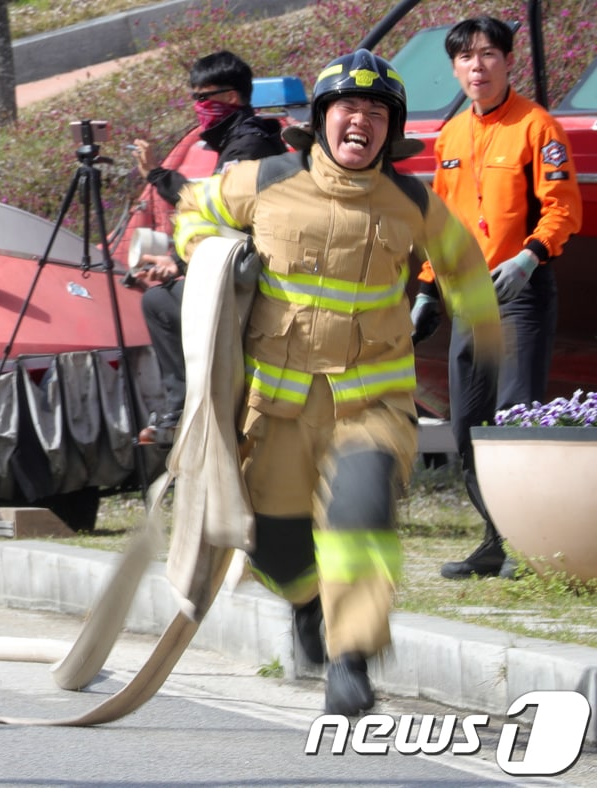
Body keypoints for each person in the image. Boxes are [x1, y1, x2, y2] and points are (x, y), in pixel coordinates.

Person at [174, 50, 500, 714]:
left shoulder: (412, 202)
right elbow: (192, 211)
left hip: (371, 408)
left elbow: (467, 271)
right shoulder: (262, 179)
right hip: (277, 410)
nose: (362, 121)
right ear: (321, 120)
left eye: (377, 112)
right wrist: (206, 258)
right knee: (275, 545)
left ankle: (351, 659)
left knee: (360, 517)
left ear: (392, 128)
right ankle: (306, 601)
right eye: (347, 108)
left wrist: (485, 345)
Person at [410, 16, 583, 580]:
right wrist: (428, 287)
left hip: (519, 295)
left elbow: (563, 207)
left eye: (487, 55)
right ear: (454, 68)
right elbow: (443, 222)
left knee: (513, 421)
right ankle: (494, 541)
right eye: (465, 58)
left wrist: (531, 255)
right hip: (467, 301)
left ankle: (530, 549)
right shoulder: (453, 135)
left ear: (509, 61)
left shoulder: (538, 127)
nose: (476, 67)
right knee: (468, 427)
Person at [129, 50, 287, 447]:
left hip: (261, 283)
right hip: (240, 270)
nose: (199, 108)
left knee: (159, 305)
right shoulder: (241, 140)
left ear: (233, 97)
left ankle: (184, 412)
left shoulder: (248, 147)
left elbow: (215, 208)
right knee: (163, 297)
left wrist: (158, 176)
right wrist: (179, 261)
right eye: (195, 99)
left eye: (205, 98)